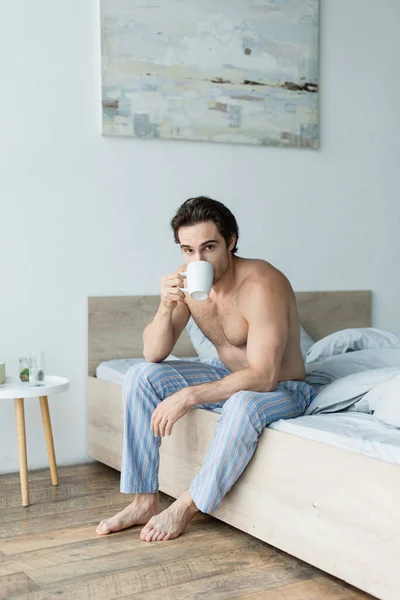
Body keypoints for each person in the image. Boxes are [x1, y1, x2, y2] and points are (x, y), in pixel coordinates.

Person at [96, 196, 315, 542]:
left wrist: (189, 396)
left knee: (243, 403)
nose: (197, 260)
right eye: (187, 250)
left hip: (281, 388)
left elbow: (263, 375)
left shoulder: (261, 284)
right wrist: (166, 307)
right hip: (228, 377)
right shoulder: (187, 281)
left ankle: (186, 505)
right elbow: (153, 352)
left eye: (209, 247)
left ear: (231, 241)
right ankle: (144, 500)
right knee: (141, 376)